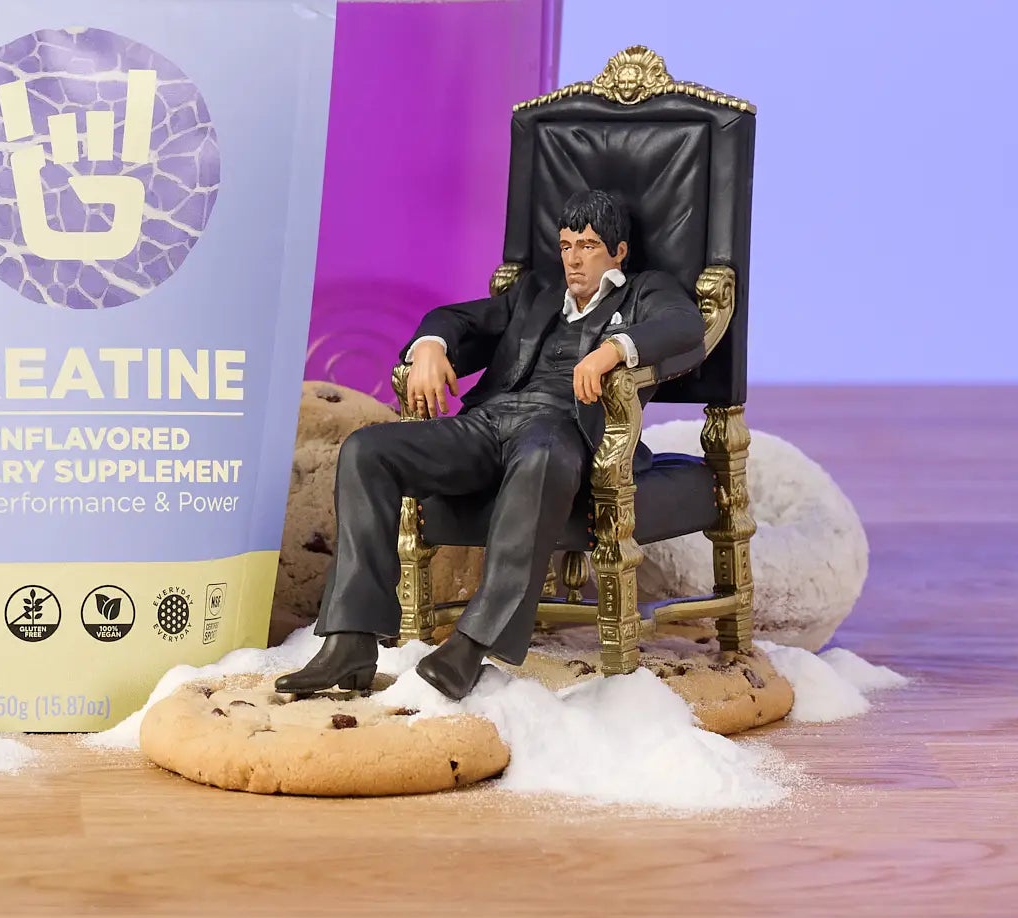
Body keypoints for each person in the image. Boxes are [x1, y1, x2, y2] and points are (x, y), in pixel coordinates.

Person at [276, 187, 706, 702]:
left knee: (542, 456)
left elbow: (685, 325)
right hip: (487, 423)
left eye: (589, 246)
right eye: (567, 245)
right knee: (368, 451)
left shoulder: (644, 291)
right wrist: (429, 348)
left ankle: (469, 646)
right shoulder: (536, 292)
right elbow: (458, 318)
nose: (573, 258)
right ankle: (350, 640)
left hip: (560, 429)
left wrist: (612, 350)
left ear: (618, 252)